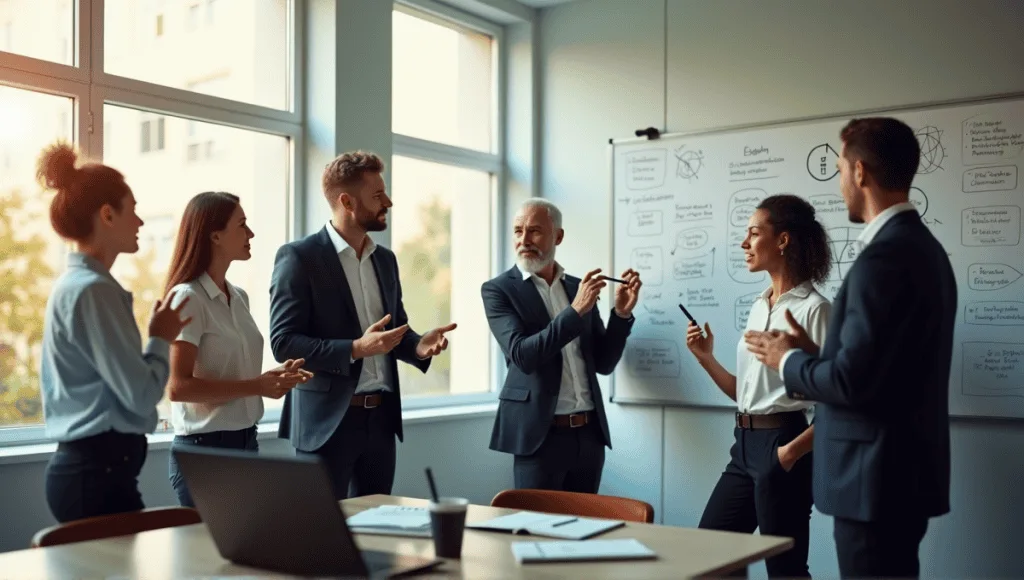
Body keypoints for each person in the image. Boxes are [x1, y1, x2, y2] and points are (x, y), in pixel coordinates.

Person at [745, 117, 956, 579]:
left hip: (872, 479)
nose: (840, 182)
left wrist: (788, 360)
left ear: (860, 173)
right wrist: (814, 356)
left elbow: (852, 383)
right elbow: (887, 372)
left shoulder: (883, 259)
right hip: (896, 476)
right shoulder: (923, 249)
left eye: (840, 169)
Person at [269, 151, 456, 500]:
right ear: (346, 201)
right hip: (325, 425)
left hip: (381, 423)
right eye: (377, 196)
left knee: (379, 530)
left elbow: (394, 330)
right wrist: (355, 349)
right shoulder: (299, 258)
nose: (388, 202)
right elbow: (284, 342)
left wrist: (417, 345)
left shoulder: (385, 260)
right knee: (325, 538)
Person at [36, 141, 190, 523]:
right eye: (133, 211)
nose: (139, 222)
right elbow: (140, 396)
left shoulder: (77, 285)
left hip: (96, 475)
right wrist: (160, 337)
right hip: (96, 478)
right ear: (107, 214)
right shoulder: (94, 291)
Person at [685, 194, 831, 578]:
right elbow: (746, 395)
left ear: (782, 240)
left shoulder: (814, 309)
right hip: (744, 446)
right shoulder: (759, 304)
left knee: (785, 570)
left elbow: (837, 401)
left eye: (753, 233)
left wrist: (788, 455)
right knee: (711, 555)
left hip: (784, 444)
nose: (743, 243)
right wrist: (706, 358)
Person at [481, 199, 640, 493]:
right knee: (536, 531)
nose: (524, 240)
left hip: (589, 436)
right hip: (539, 437)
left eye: (535, 231)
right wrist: (574, 312)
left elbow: (603, 363)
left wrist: (620, 315)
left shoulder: (576, 288)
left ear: (558, 236)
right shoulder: (498, 290)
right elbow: (522, 355)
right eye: (518, 231)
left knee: (584, 530)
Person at [163, 191, 311, 507]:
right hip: (204, 455)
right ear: (215, 236)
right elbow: (177, 388)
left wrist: (268, 379)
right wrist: (255, 386)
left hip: (246, 446)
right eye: (242, 225)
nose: (251, 234)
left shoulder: (239, 296)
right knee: (207, 555)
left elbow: (232, 374)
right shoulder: (187, 298)